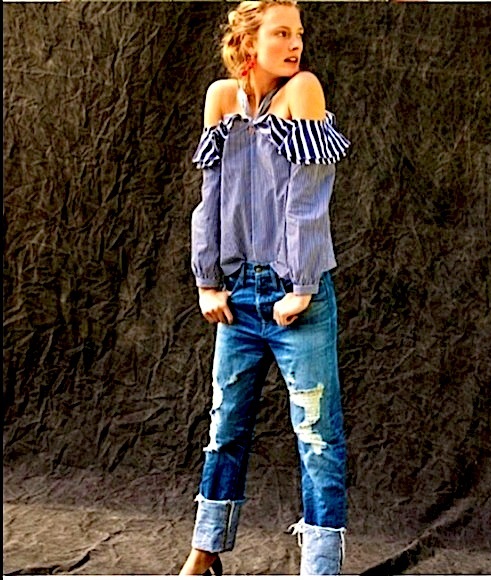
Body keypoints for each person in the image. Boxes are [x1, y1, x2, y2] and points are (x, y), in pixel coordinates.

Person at [179, 0, 350, 575]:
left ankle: (320, 567)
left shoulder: (303, 90)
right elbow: (210, 199)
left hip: (295, 295)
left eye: (298, 33)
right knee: (224, 425)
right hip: (238, 295)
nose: (295, 43)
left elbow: (308, 199)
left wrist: (301, 284)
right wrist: (207, 280)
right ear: (248, 42)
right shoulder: (221, 99)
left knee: (316, 436)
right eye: (281, 33)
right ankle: (205, 550)